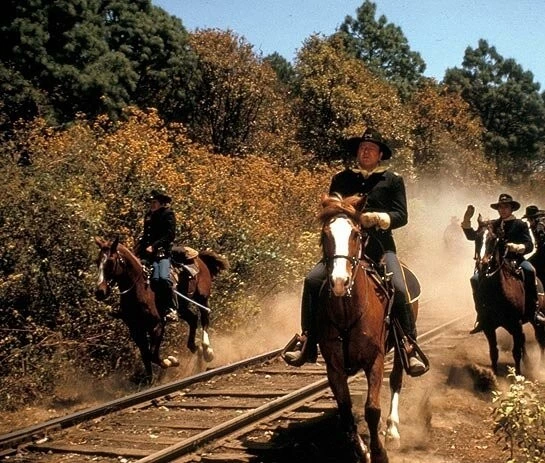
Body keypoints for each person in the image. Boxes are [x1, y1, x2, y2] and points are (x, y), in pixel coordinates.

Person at [283, 128, 427, 376]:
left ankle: (409, 346)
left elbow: (401, 215)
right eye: (362, 148)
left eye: (371, 148)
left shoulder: (392, 180)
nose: (365, 151)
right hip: (343, 249)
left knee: (400, 288)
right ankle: (307, 341)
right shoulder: (341, 179)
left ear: (380, 154)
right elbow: (330, 209)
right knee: (312, 281)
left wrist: (380, 218)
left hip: (379, 248)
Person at [462, 194, 539, 333]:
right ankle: (482, 316)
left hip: (515, 260)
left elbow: (529, 245)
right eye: (500, 207)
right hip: (495, 264)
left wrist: (517, 247)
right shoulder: (492, 224)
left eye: (506, 207)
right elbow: (474, 236)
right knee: (475, 279)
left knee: (530, 271)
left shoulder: (520, 224)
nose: (502, 210)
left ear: (511, 208)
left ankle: (534, 309)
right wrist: (466, 221)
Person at [134, 189, 177, 321]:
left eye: (154, 202)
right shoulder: (148, 216)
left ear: (161, 203)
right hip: (147, 254)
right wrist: (138, 248)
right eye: (151, 202)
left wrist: (154, 246)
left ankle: (171, 308)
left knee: (162, 278)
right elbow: (146, 235)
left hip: (161, 253)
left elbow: (169, 235)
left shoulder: (168, 214)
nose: (152, 205)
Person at [523, 205, 545, 324]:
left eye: (529, 219)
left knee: (528, 267)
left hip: (543, 254)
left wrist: (541, 232)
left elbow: (541, 235)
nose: (529, 221)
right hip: (541, 252)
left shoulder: (540, 224)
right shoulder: (537, 224)